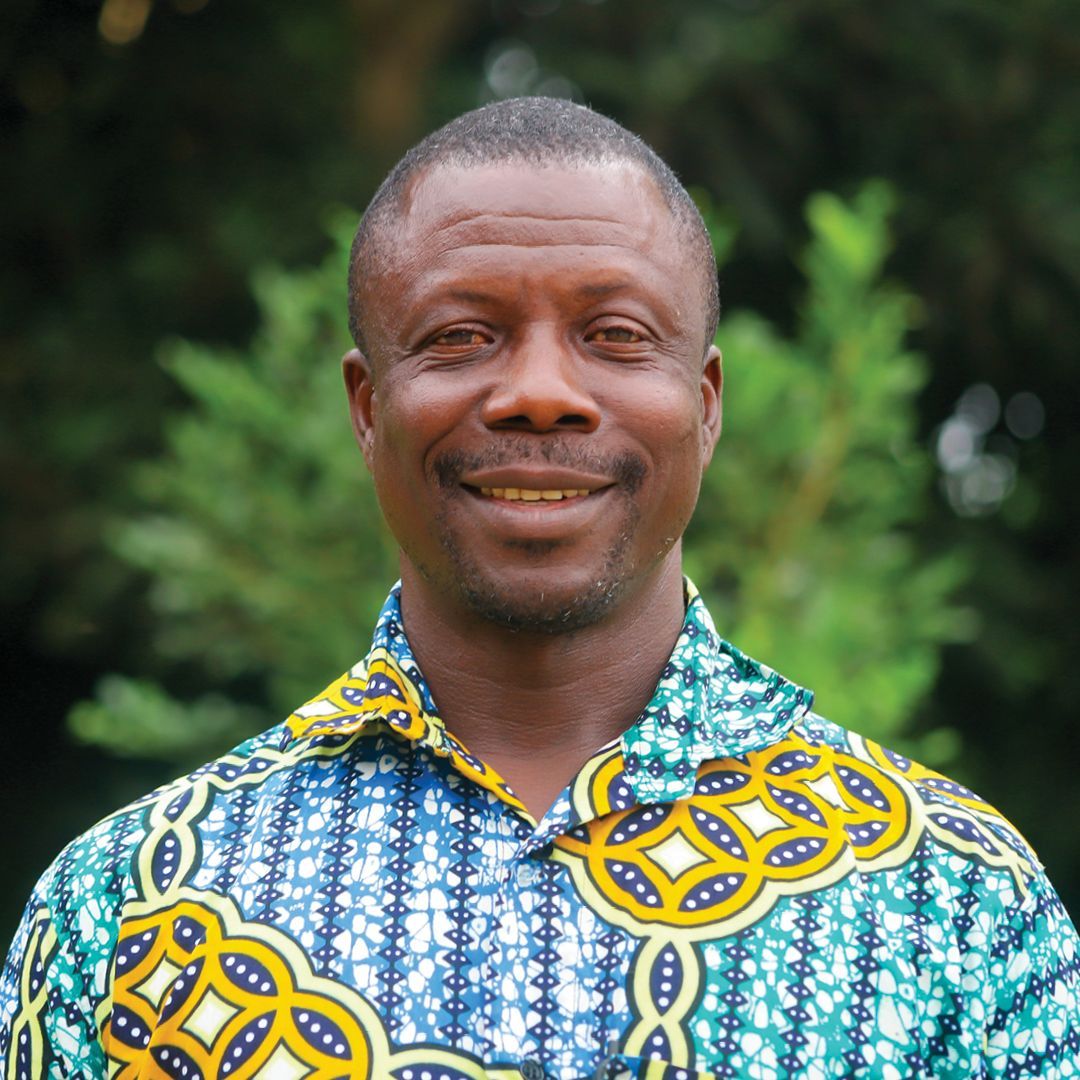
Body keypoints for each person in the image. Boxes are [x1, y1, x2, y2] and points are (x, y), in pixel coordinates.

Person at [2, 97, 1078, 1080]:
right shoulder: (126, 915)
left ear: (705, 405)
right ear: (368, 406)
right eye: (461, 337)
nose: (539, 394)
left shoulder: (956, 901)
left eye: (614, 337)